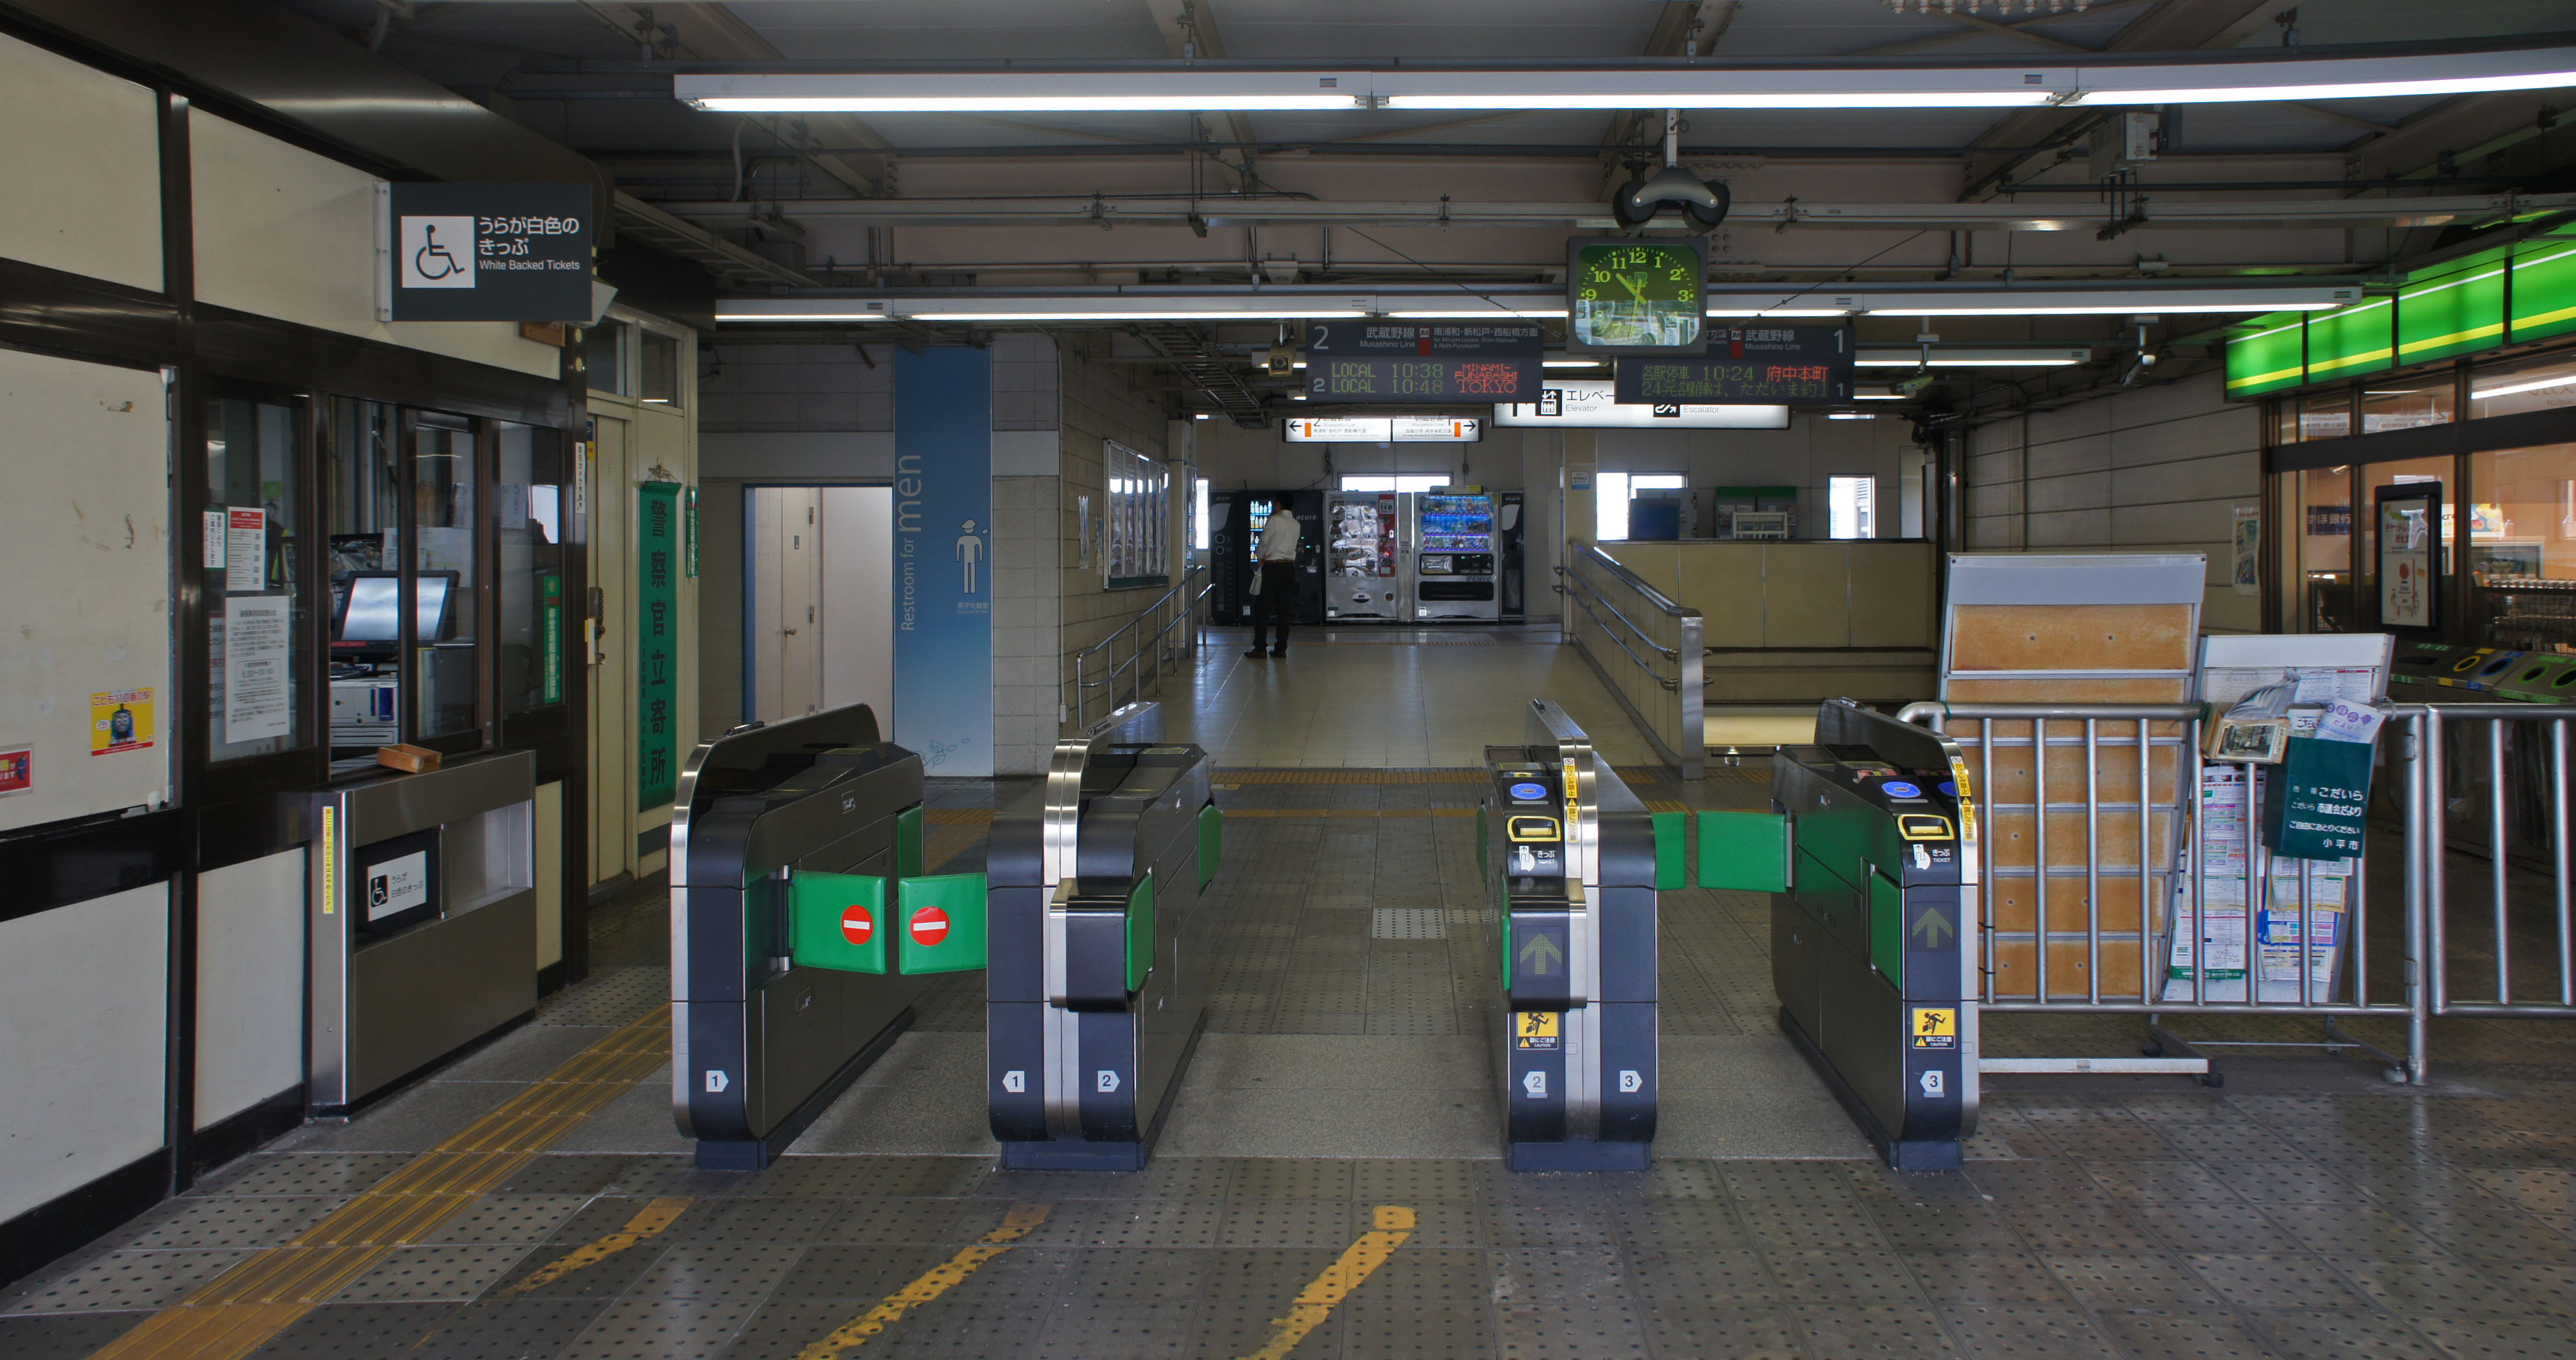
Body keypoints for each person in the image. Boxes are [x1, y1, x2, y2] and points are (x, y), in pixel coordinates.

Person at [1245, 505, 1301, 658]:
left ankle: (1260, 648)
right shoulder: (1296, 523)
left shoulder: (1274, 520)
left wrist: (1260, 556)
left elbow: (1264, 540)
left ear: (1279, 505)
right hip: (1289, 568)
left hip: (1272, 567)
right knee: (1284, 610)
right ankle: (1281, 649)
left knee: (1262, 609)